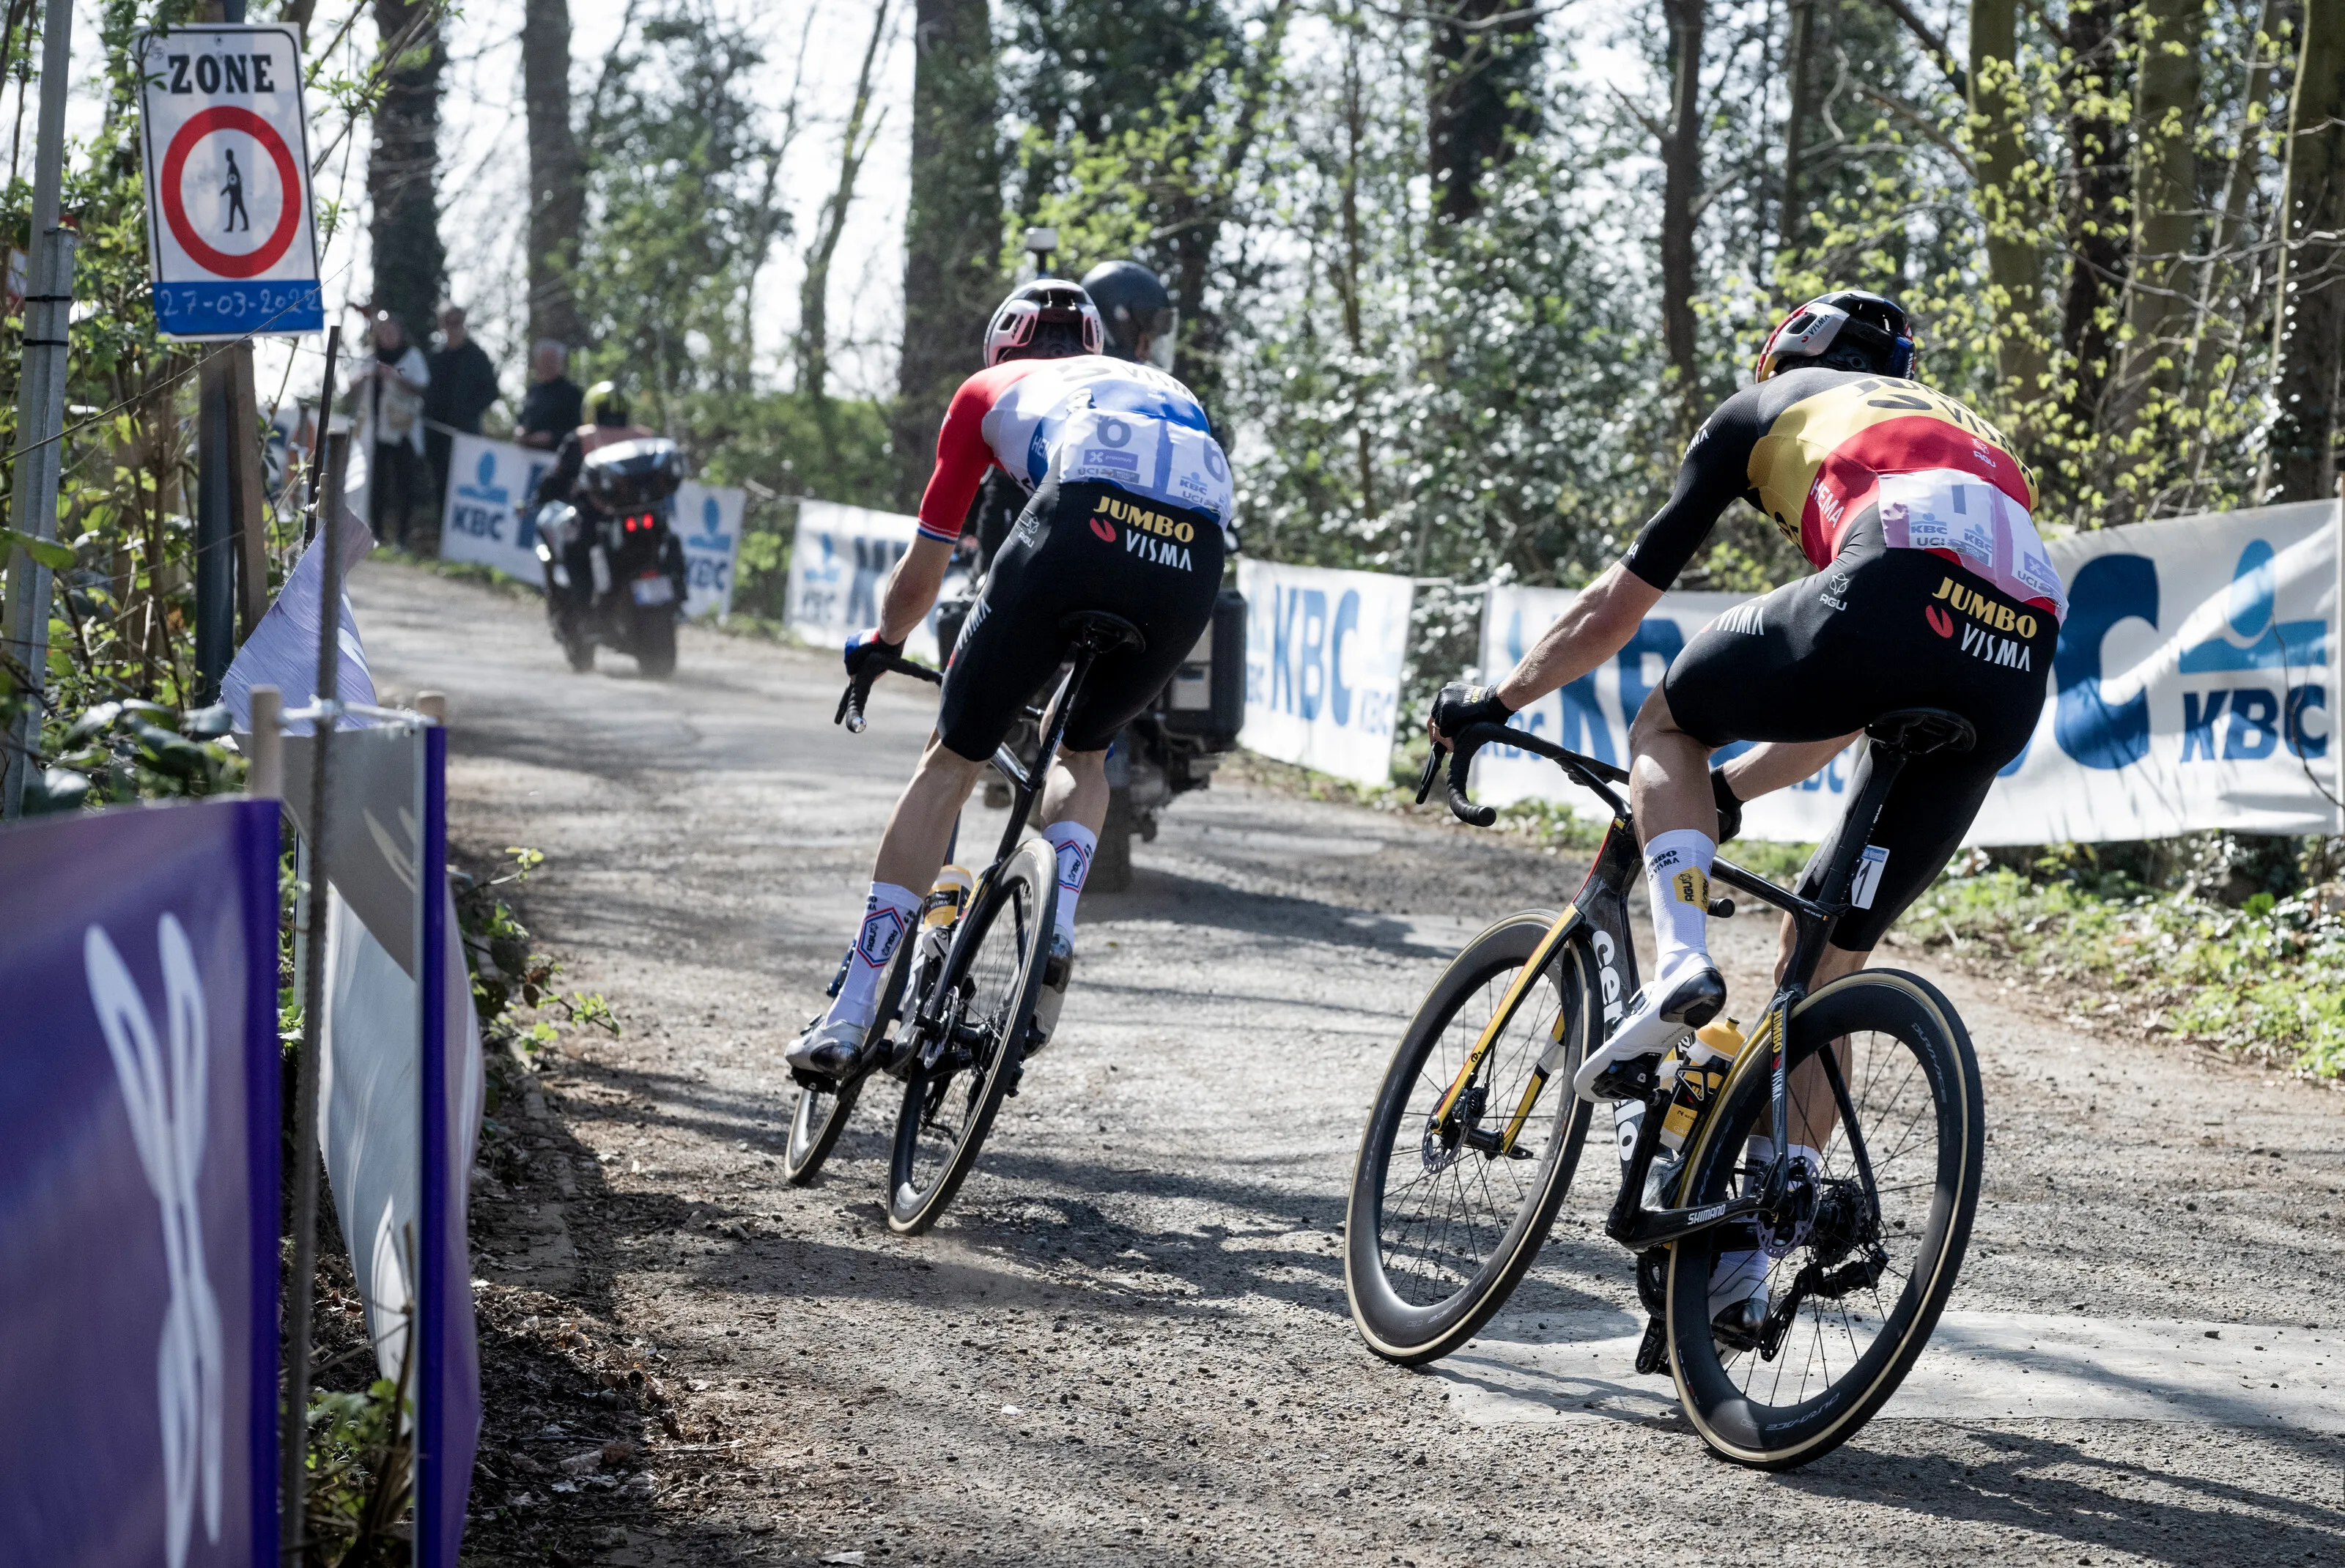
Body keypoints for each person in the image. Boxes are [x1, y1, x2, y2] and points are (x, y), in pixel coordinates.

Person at [1427, 289, 2065, 1339]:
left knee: (1666, 725)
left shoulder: (1766, 409)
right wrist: (1723, 799)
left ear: (1789, 353)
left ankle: (1678, 961)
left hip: (1892, 589)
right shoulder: (1972, 437)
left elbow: (1611, 613)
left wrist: (1495, 705)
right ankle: (1759, 1236)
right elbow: (1851, 697)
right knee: (1823, 962)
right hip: (2014, 659)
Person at [785, 280, 1236, 1079]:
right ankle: (1054, 927)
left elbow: (923, 576)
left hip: (1077, 523)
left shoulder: (987, 392)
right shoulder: (1164, 388)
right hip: (1192, 558)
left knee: (951, 761)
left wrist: (881, 640)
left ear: (1001, 348)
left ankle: (851, 1013)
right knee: (1084, 755)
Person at [355, 310, 429, 549]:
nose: (388, 335)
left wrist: (395, 377)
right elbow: (350, 384)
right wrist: (367, 376)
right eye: (383, 331)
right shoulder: (370, 357)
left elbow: (422, 388)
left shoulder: (412, 357)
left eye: (392, 331)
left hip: (403, 431)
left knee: (403, 484)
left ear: (400, 333)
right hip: (375, 431)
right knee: (376, 483)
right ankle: (375, 534)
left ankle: (402, 537)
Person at [424, 306, 503, 511]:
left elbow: (492, 391)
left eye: (457, 321)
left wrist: (467, 411)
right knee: (441, 485)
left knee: (465, 485)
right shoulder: (436, 357)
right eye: (449, 322)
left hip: (466, 433)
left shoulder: (476, 356)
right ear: (442, 325)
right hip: (438, 435)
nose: (454, 327)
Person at [515, 341, 585, 451]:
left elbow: (579, 429)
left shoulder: (572, 392)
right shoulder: (533, 390)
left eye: (551, 361)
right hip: (528, 455)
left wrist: (552, 437)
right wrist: (520, 430)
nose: (546, 365)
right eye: (543, 360)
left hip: (558, 455)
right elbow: (522, 419)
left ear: (560, 362)